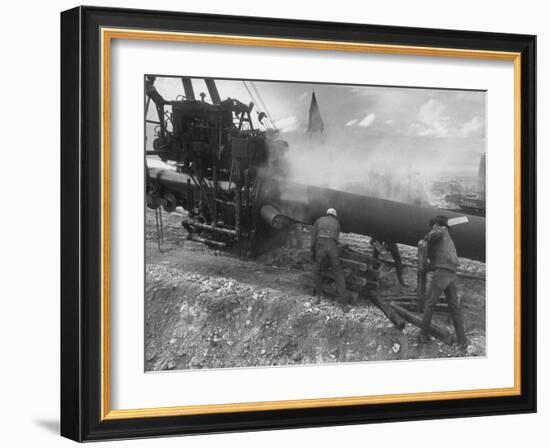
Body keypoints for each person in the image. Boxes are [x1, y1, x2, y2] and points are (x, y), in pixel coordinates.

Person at [418, 215, 468, 346]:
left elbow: (433, 235)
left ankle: (423, 335)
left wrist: (426, 238)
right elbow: (437, 259)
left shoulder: (440, 231)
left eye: (432, 226)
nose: (432, 228)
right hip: (451, 272)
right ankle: (462, 341)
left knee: (429, 302)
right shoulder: (448, 240)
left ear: (436, 224)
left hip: (443, 271)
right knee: (454, 307)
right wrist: (428, 268)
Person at [311, 208, 348, 304]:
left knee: (318, 272)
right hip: (332, 247)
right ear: (335, 215)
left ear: (326, 214)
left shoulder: (319, 220)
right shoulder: (337, 223)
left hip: (321, 246)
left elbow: (313, 239)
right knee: (339, 274)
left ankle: (317, 297)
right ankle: (344, 304)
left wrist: (313, 253)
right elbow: (336, 239)